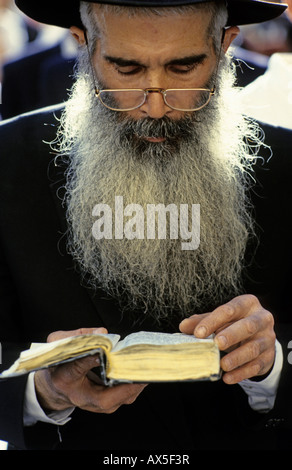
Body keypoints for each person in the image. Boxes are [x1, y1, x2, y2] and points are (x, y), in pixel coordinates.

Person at [0, 0, 291, 452]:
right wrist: (44, 390)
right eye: (127, 69)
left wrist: (272, 366)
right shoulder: (8, 162)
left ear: (224, 46)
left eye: (182, 67)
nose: (155, 108)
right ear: (85, 46)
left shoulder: (286, 165)